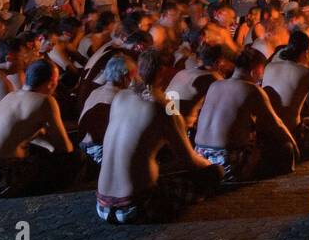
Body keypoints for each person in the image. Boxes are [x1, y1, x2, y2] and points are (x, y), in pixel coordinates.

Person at [96, 50, 224, 223]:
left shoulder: (120, 97)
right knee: (212, 174)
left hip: (102, 205)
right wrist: (211, 164)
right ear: (163, 72)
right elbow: (189, 160)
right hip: (137, 205)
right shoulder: (164, 107)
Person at [0, 59, 84, 198]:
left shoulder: (11, 96)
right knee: (75, 158)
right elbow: (65, 147)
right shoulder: (45, 101)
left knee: (38, 150)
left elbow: (19, 134)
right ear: (52, 81)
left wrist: (46, 142)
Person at [193, 48, 298, 182]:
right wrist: (294, 145)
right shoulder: (252, 89)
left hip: (200, 155)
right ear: (255, 70)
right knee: (283, 148)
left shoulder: (215, 84)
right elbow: (276, 125)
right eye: (262, 71)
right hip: (227, 159)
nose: (262, 76)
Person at [77, 55, 137, 164]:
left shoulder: (96, 91)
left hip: (83, 145)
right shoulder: (119, 97)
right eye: (134, 74)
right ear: (125, 75)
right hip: (98, 151)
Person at [164, 42, 224, 130]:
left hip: (163, 120)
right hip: (181, 128)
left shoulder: (183, 72)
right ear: (218, 61)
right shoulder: (214, 79)